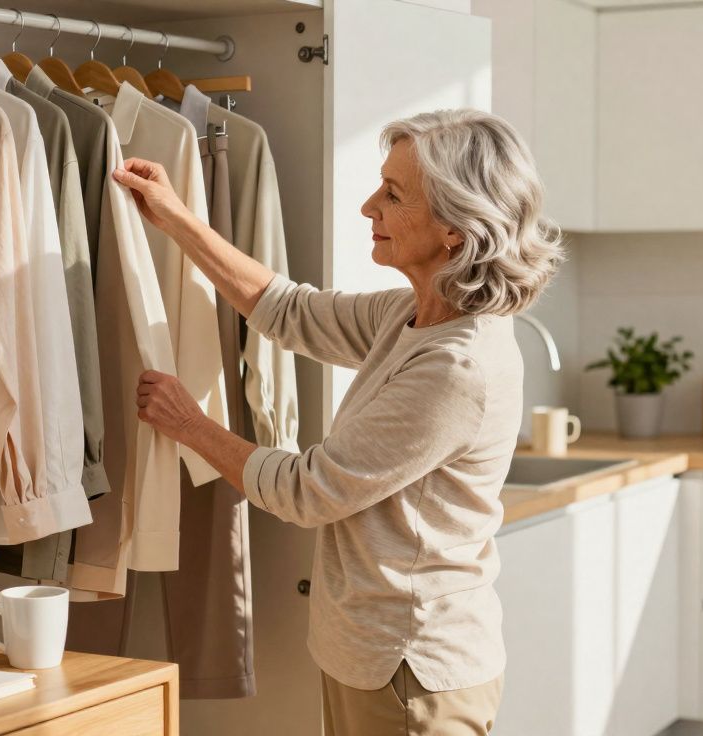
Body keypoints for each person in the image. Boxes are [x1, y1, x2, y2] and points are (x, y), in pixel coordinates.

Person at [111, 108, 563, 736]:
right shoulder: (412, 315)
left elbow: (309, 490)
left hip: (412, 666)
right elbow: (288, 311)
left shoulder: (458, 365)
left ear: (455, 229)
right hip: (374, 651)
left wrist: (192, 425)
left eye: (393, 194)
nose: (367, 207)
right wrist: (177, 218)